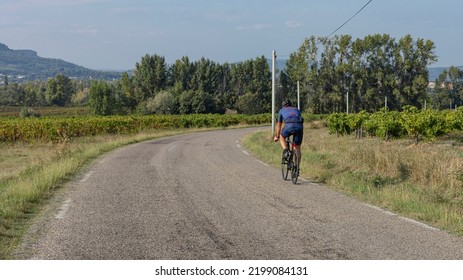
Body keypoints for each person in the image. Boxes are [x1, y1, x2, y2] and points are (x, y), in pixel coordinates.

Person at [273, 99, 304, 170]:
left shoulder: (281, 110)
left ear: (283, 106)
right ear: (291, 104)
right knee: (298, 148)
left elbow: (279, 125)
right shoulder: (297, 109)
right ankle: (297, 168)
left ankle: (286, 150)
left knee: (282, 136)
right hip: (299, 127)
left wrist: (277, 136)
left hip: (289, 126)